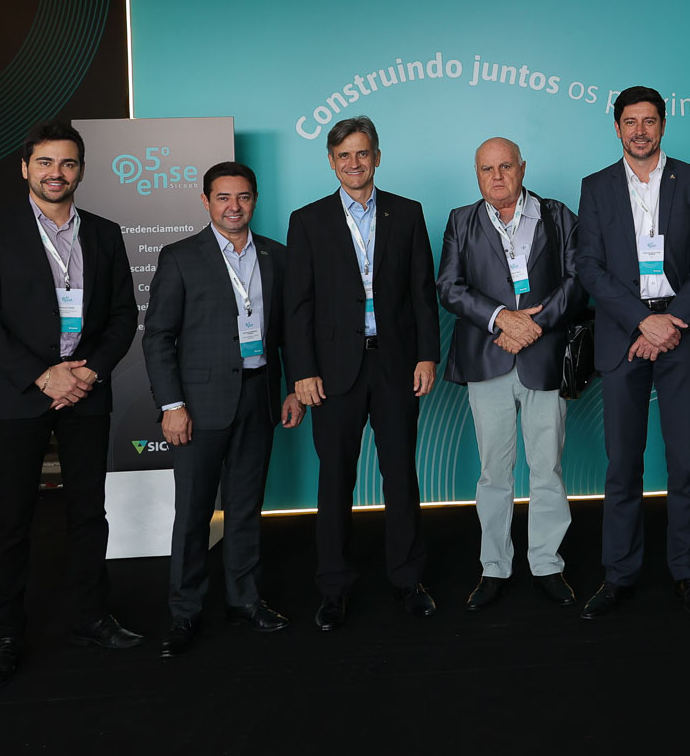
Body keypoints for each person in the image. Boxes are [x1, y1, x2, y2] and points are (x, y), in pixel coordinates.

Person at [0, 122, 142, 690]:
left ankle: (91, 617)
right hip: (19, 393)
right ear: (25, 168)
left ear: (81, 169)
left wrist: (88, 371)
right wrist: (43, 375)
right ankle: (5, 634)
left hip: (85, 390)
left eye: (67, 163)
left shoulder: (105, 233)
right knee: (11, 519)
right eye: (45, 162)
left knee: (89, 513)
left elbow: (122, 315)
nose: (55, 173)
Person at [143, 161, 307, 657]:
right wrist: (172, 404)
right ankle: (185, 612)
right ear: (206, 201)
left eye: (243, 197)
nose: (234, 207)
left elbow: (290, 330)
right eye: (223, 197)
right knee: (194, 514)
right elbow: (158, 337)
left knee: (244, 508)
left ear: (254, 200)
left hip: (259, 396)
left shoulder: (277, 256)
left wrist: (293, 388)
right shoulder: (180, 257)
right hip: (198, 405)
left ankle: (244, 600)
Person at [285, 116, 440, 630]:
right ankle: (333, 588)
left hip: (396, 365)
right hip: (332, 374)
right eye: (344, 155)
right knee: (335, 481)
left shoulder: (407, 212)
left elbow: (422, 291)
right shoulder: (308, 220)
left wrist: (427, 355)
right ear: (332, 162)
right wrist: (303, 371)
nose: (354, 163)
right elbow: (297, 305)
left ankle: (407, 579)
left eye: (362, 153)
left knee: (401, 476)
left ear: (377, 156)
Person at [575, 86, 690, 618]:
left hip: (680, 332)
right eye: (630, 122)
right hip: (625, 335)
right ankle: (619, 574)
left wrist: (670, 320)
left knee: (685, 460)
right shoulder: (596, 186)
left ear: (663, 125)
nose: (640, 131)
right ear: (617, 128)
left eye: (650, 121)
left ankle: (688, 572)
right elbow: (589, 266)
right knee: (622, 463)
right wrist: (643, 320)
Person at [436, 137, 585, 611]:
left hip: (545, 359)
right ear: (477, 175)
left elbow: (578, 280)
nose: (497, 177)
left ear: (522, 167)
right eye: (487, 169)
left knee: (547, 468)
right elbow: (449, 287)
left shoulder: (557, 216)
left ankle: (547, 564)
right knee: (493, 473)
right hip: (488, 358)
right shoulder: (461, 220)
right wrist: (502, 318)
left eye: (505, 167)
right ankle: (494, 567)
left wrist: (533, 325)